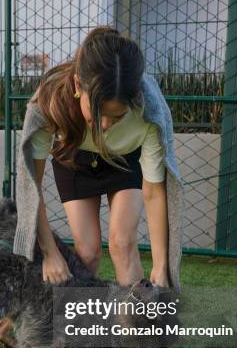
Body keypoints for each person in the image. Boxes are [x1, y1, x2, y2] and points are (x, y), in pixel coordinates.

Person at [13, 26, 184, 292]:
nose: (104, 126)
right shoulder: (49, 101)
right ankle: (71, 329)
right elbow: (30, 185)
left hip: (124, 158)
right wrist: (49, 252)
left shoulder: (149, 110)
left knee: (123, 243)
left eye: (117, 117)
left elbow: (153, 192)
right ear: (78, 86)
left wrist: (161, 265)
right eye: (97, 112)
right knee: (88, 252)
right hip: (74, 159)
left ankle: (139, 330)